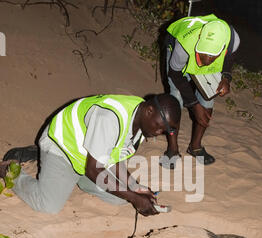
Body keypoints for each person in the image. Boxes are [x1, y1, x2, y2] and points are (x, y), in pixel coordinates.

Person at [0, 93, 181, 216]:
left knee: (119, 199)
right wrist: (134, 197)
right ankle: (7, 169)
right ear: (149, 111)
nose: (159, 132)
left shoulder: (142, 122)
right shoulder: (110, 118)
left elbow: (114, 157)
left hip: (87, 157)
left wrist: (135, 186)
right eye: (159, 127)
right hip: (62, 147)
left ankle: (71, 175)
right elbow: (94, 170)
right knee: (48, 206)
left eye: (164, 130)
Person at [160, 13, 240, 168]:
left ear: (221, 50)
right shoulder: (184, 45)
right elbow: (175, 74)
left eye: (209, 58)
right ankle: (172, 149)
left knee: (209, 98)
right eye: (200, 55)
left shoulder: (232, 40)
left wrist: (226, 78)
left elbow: (229, 60)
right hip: (179, 57)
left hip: (208, 56)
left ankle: (195, 147)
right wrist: (194, 105)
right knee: (175, 99)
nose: (202, 63)